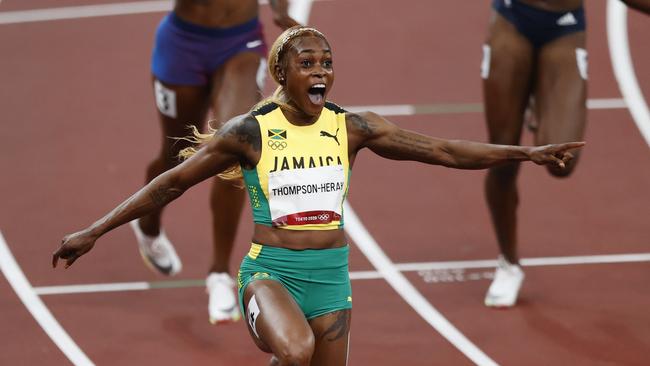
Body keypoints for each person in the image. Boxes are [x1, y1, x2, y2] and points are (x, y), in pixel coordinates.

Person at [54, 26, 584, 366]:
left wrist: (525, 154)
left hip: (332, 278)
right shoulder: (249, 131)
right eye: (308, 63)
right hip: (270, 274)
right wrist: (95, 231)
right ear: (281, 73)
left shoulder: (351, 127)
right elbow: (170, 183)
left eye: (326, 63)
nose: (320, 72)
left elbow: (444, 150)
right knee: (297, 350)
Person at [132, 0, 299, 324]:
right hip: (182, 44)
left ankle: (219, 273)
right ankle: (147, 225)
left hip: (240, 43)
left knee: (235, 149)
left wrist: (279, 11)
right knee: (177, 154)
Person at [480, 0, 650, 308]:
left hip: (565, 26)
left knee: (562, 162)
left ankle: (538, 97)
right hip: (512, 20)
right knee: (503, 156)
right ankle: (509, 262)